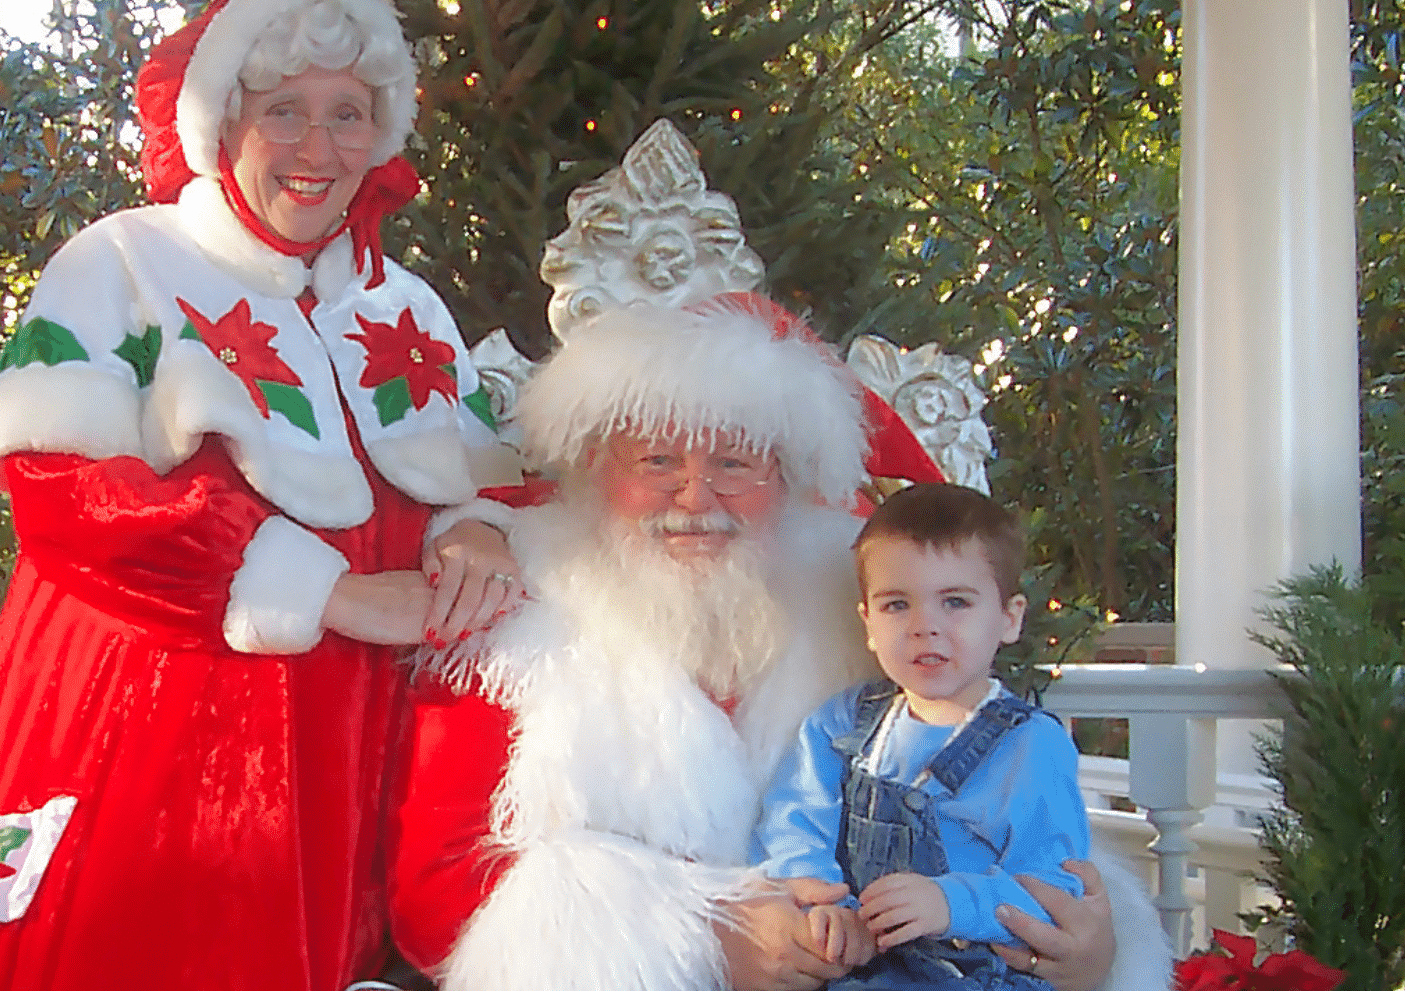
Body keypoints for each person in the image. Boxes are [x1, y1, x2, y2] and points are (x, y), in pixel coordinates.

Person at [0, 0, 524, 991]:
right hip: (157, 754)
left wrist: (478, 531)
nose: (319, 151)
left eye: (347, 115)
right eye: (286, 112)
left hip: (365, 759)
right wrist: (331, 592)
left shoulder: (407, 304)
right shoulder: (128, 264)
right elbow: (67, 494)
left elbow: (490, 476)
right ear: (226, 120)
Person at [386, 295, 1172, 991]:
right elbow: (437, 893)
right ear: (596, 469)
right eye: (657, 461)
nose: (695, 499)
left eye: (734, 464)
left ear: (789, 478)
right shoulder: (516, 618)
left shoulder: (874, 607)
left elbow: (1009, 806)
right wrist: (704, 935)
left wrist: (1089, 948)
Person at [751, 482, 1090, 991]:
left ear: (1009, 617)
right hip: (862, 968)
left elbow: (1057, 887)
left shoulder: (1029, 746)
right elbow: (793, 821)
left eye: (955, 602)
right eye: (896, 605)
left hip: (980, 976)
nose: (924, 626)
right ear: (867, 621)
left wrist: (952, 902)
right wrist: (825, 904)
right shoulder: (845, 725)